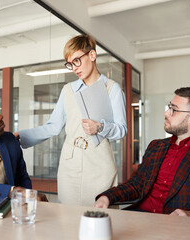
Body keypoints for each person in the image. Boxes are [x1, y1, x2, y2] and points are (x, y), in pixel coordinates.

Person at [14, 34, 127, 206]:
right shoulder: (68, 90)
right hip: (70, 164)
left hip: (100, 163)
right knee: (67, 218)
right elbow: (53, 127)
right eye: (70, 64)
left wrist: (100, 127)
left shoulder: (112, 88)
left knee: (100, 216)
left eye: (77, 61)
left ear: (92, 55)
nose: (74, 68)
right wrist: (19, 137)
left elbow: (121, 130)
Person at [94, 87, 190, 219]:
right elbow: (137, 184)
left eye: (173, 110)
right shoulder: (156, 146)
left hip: (175, 224)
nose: (166, 113)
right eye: (169, 107)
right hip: (140, 217)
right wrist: (107, 197)